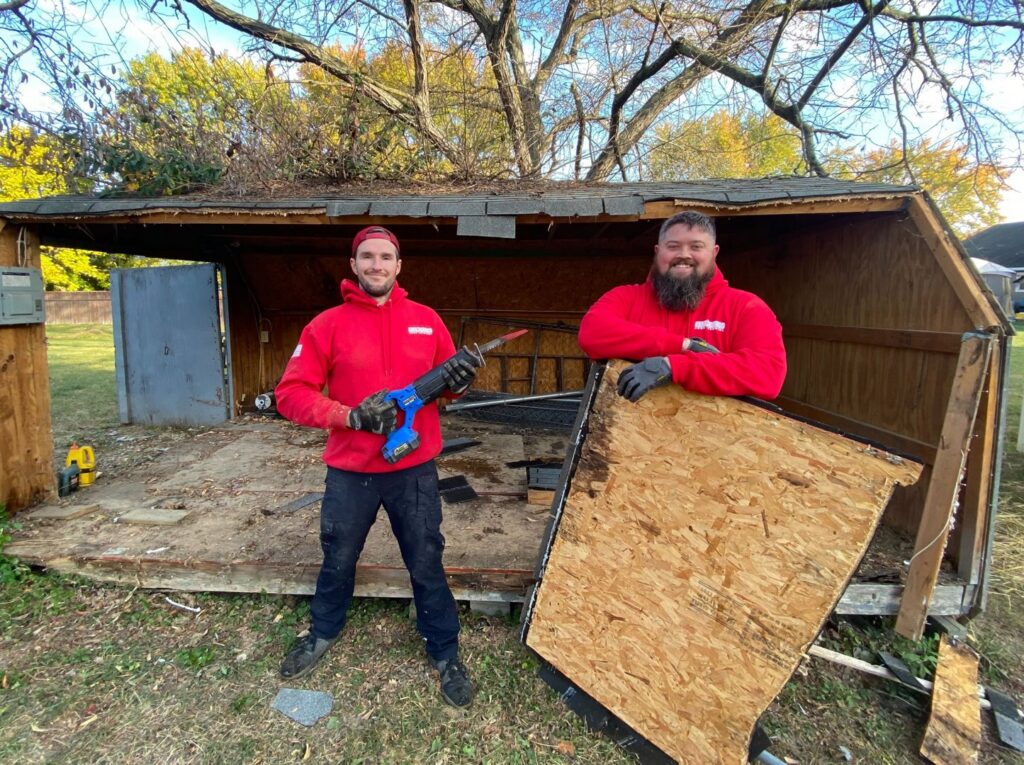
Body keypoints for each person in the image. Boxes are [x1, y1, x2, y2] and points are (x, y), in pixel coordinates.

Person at [273, 225, 479, 707]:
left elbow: (448, 385)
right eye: (367, 257)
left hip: (414, 472)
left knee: (426, 562)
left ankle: (445, 652)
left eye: (386, 257)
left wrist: (462, 383)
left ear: (399, 265)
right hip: (351, 472)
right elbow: (290, 395)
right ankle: (323, 632)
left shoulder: (427, 320)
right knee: (339, 558)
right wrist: (348, 416)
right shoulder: (325, 325)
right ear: (354, 265)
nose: (376, 265)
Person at [578, 210, 786, 401]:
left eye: (696, 246)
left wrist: (674, 367)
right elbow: (592, 333)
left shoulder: (746, 307)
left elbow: (768, 374)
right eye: (673, 246)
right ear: (658, 252)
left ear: (714, 253)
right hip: (627, 438)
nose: (684, 254)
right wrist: (682, 345)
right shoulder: (627, 297)